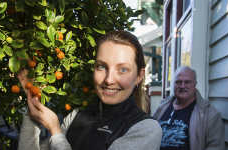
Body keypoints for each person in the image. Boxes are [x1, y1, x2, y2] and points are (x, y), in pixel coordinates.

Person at [17, 30, 162, 150]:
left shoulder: (146, 129)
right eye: (101, 66)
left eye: (122, 69)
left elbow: (57, 139)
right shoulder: (75, 116)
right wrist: (32, 107)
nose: (109, 80)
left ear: (139, 76)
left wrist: (55, 131)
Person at [153, 66, 224, 150]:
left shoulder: (209, 114)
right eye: (178, 82)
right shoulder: (162, 107)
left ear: (195, 84)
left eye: (187, 82)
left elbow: (215, 147)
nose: (182, 86)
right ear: (173, 84)